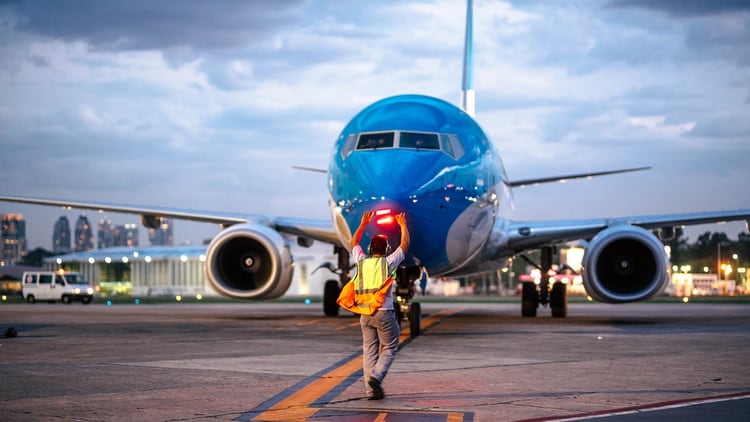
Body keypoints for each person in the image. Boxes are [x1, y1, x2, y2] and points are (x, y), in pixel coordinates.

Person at [350, 210, 410, 400]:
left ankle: (370, 391)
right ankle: (376, 376)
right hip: (384, 313)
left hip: (365, 314)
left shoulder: (361, 262)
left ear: (369, 250)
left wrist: (363, 223)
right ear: (385, 250)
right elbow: (405, 245)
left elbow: (353, 244)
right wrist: (402, 225)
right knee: (390, 347)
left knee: (369, 350)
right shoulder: (388, 263)